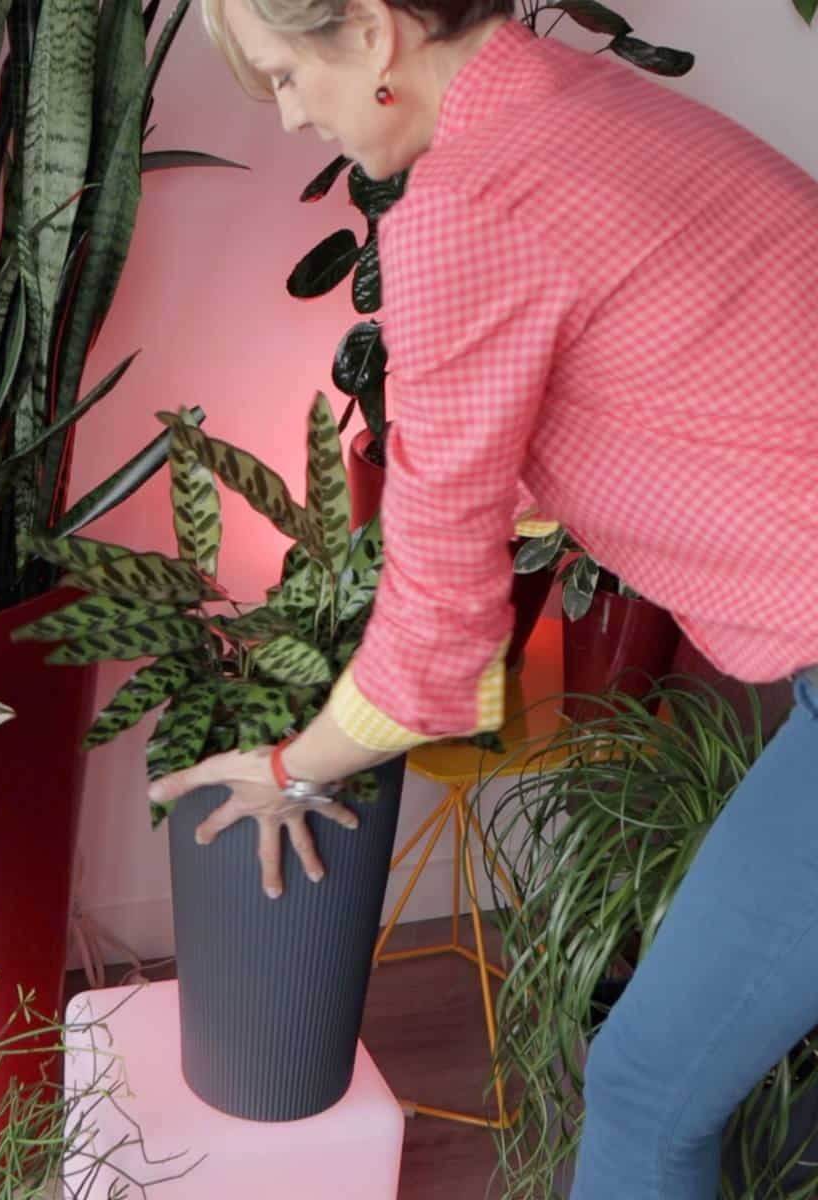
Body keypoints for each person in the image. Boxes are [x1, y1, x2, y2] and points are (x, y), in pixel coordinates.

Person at [146, 0, 818, 1195]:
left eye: (288, 73)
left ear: (370, 30)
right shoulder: (584, 102)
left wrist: (289, 768)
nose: (295, 112)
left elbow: (434, 649)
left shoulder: (466, 206)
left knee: (650, 1095)